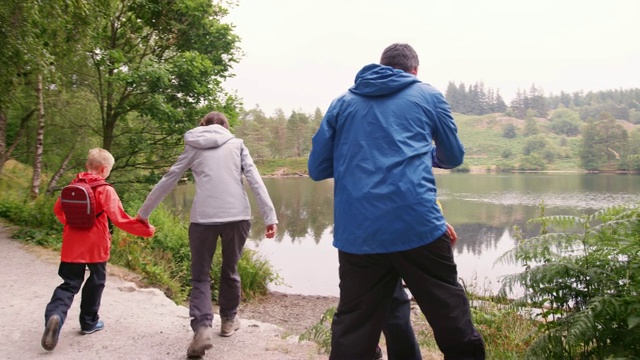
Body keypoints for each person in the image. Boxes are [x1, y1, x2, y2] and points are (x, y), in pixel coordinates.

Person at [308, 43, 485, 359]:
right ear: (414, 70)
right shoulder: (428, 96)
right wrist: (423, 154)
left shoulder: (341, 104)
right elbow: (453, 155)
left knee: (354, 324)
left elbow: (317, 168)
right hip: (418, 226)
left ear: (382, 66)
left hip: (359, 235)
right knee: (450, 313)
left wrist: (360, 160)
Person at [136, 111, 278, 358]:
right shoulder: (237, 144)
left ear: (203, 125)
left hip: (203, 219)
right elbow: (255, 179)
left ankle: (202, 328)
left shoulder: (193, 145)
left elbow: (170, 178)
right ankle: (227, 322)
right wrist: (270, 216)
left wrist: (144, 212)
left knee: (200, 276)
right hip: (237, 217)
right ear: (226, 126)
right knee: (230, 269)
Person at [42, 148, 156, 351]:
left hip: (72, 245)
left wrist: (72, 225)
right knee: (96, 282)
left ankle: (55, 315)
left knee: (68, 284)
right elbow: (119, 219)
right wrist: (146, 230)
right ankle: (89, 322)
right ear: (104, 169)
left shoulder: (72, 186)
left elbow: (58, 211)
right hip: (96, 246)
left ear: (88, 166)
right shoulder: (105, 189)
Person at [377, 202, 458, 360]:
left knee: (392, 308)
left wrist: (435, 220)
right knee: (393, 309)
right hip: (381, 232)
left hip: (413, 229)